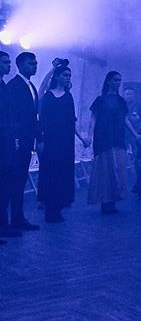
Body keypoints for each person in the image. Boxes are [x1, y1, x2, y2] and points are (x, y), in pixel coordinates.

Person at [37, 63, 89, 222]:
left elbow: (71, 121)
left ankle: (58, 206)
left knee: (63, 172)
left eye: (69, 76)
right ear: (57, 77)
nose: (68, 78)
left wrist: (81, 138)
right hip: (51, 139)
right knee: (50, 172)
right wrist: (41, 139)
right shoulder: (48, 96)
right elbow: (42, 118)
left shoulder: (68, 97)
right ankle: (50, 207)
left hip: (65, 141)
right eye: (65, 75)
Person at [86, 71, 136, 214]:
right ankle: (105, 201)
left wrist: (136, 134)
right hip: (103, 139)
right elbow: (93, 118)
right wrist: (89, 136)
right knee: (105, 171)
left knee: (117, 169)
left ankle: (113, 200)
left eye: (119, 80)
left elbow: (125, 119)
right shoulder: (100, 100)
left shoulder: (121, 101)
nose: (118, 82)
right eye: (115, 80)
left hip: (118, 139)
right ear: (108, 81)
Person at [5, 51, 41, 230]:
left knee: (20, 180)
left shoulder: (30, 86)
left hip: (27, 140)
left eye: (35, 63)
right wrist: (17, 138)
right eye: (30, 63)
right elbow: (12, 115)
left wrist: (37, 138)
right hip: (17, 142)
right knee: (13, 180)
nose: (34, 66)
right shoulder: (13, 86)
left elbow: (33, 116)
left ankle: (18, 218)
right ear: (20, 65)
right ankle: (11, 220)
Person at [0, 50, 21, 241]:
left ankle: (3, 225)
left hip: (6, 141)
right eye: (5, 62)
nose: (9, 65)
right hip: (3, 139)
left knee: (5, 183)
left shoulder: (4, 86)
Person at [123, 86, 141, 193]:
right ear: (124, 95)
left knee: (137, 157)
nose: (129, 96)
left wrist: (132, 118)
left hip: (135, 134)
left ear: (134, 95)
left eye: (131, 94)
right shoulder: (121, 105)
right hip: (122, 134)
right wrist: (132, 118)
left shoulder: (139, 106)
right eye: (127, 94)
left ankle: (138, 181)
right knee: (121, 156)